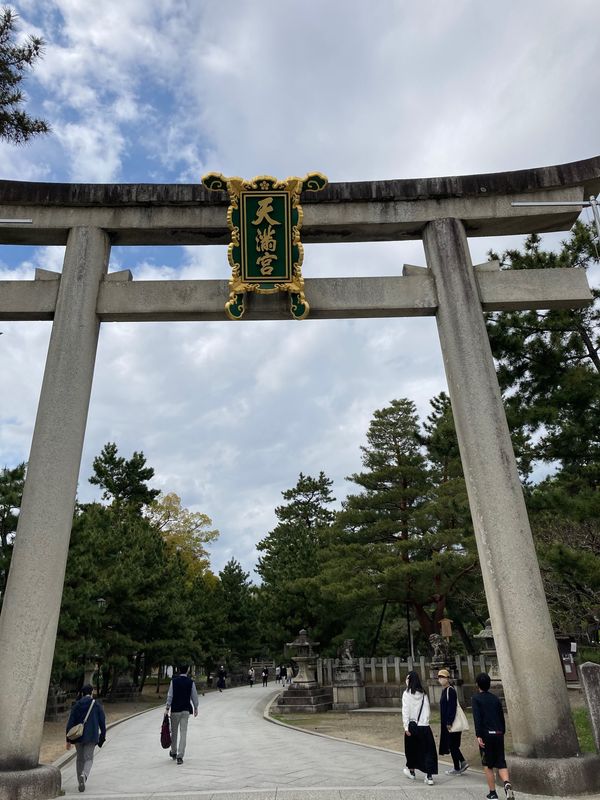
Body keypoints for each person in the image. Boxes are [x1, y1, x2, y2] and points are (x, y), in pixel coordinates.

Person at [472, 672, 515, 800]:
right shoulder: (495, 699)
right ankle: (507, 783)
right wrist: (502, 730)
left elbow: (477, 718)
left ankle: (493, 793)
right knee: (501, 762)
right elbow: (501, 717)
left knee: (488, 764)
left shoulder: (476, 698)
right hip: (498, 733)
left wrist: (478, 735)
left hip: (486, 734)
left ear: (477, 684)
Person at [65, 684, 106, 793]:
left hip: (78, 736)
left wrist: (68, 739)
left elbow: (70, 723)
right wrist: (102, 737)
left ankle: (80, 781)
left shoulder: (76, 705)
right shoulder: (96, 705)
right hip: (91, 736)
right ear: (91, 692)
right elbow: (102, 722)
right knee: (89, 758)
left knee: (80, 759)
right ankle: (84, 775)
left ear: (82, 693)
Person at [402, 670, 438, 786]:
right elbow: (427, 710)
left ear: (409, 680)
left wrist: (406, 726)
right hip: (424, 726)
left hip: (412, 725)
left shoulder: (407, 694)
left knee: (411, 749)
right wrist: (425, 722)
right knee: (427, 751)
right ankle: (429, 776)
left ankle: (412, 772)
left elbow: (405, 711)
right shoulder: (424, 693)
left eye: (407, 679)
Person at [437, 668, 469, 775]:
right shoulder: (445, 691)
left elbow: (452, 707)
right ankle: (458, 765)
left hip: (451, 723)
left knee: (452, 745)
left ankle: (460, 764)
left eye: (443, 677)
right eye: (439, 677)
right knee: (453, 745)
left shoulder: (450, 690)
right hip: (448, 722)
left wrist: (449, 722)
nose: (440, 679)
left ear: (447, 678)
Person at [166, 665, 199, 765]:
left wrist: (167, 708)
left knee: (174, 732)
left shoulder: (174, 681)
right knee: (183, 732)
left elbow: (170, 695)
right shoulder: (191, 682)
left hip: (175, 710)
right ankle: (180, 756)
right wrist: (196, 707)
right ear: (188, 670)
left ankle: (174, 752)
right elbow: (194, 695)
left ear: (179, 670)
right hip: (185, 710)